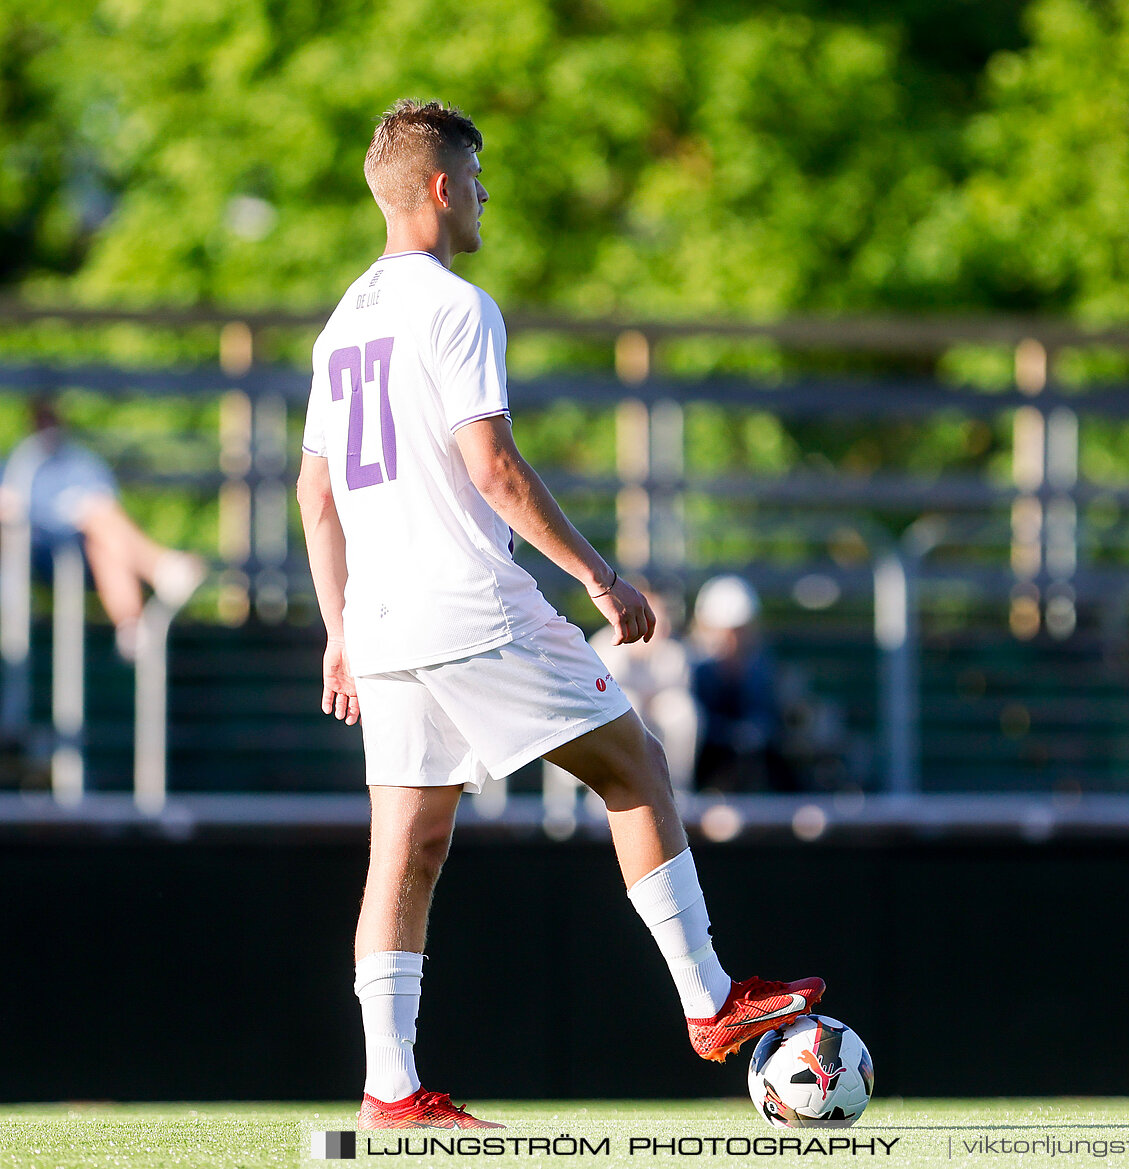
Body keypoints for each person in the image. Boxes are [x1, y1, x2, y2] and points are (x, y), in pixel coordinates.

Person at [296, 100, 823, 1132]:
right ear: (442, 189)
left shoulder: (342, 323)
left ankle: (391, 1086)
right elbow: (491, 466)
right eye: (478, 179)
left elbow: (315, 495)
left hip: (387, 623)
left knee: (404, 846)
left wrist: (338, 628)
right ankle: (710, 1000)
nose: (486, 197)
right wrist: (599, 576)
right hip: (470, 609)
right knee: (636, 767)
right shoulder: (456, 305)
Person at [0, 397, 206, 659]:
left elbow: (106, 504)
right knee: (100, 522)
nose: (47, 426)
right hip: (37, 553)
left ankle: (131, 629)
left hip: (85, 551)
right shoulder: (20, 462)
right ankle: (160, 567)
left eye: (51, 419)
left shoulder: (81, 462)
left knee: (104, 538)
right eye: (42, 420)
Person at [689, 574, 795, 792]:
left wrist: (751, 733)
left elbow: (768, 719)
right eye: (724, 631)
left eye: (739, 631)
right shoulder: (692, 666)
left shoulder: (760, 668)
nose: (732, 640)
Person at [590, 579, 698, 791]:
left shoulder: (671, 650)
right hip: (599, 727)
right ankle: (617, 788)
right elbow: (603, 695)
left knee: (681, 712)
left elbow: (677, 691)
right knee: (630, 706)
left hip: (653, 723)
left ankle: (676, 789)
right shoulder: (606, 645)